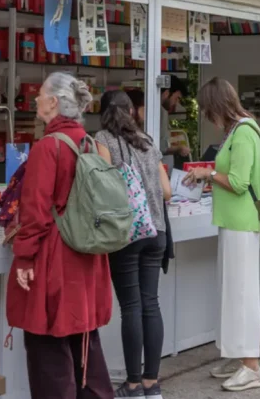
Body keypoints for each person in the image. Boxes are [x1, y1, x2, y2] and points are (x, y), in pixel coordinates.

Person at [6, 72, 114, 399]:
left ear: (53, 102)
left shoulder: (47, 147)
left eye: (40, 94)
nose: (36, 99)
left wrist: (24, 257)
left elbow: (35, 211)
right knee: (84, 341)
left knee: (48, 347)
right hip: (88, 253)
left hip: (54, 256)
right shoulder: (90, 143)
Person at [184, 78, 260, 391]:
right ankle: (239, 355)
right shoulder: (240, 130)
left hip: (241, 222)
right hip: (234, 220)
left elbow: (239, 182)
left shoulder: (243, 132)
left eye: (208, 110)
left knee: (242, 295)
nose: (208, 117)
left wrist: (208, 173)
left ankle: (251, 366)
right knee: (233, 293)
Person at [94, 91, 171, 397]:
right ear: (131, 112)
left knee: (131, 307)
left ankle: (134, 384)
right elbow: (167, 192)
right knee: (151, 303)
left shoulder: (103, 139)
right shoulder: (147, 141)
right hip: (156, 232)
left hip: (127, 233)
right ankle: (152, 384)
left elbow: (103, 186)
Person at [159, 75, 190, 159]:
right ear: (167, 93)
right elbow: (160, 147)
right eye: (176, 98)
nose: (176, 103)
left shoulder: (159, 111)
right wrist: (178, 149)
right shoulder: (161, 111)